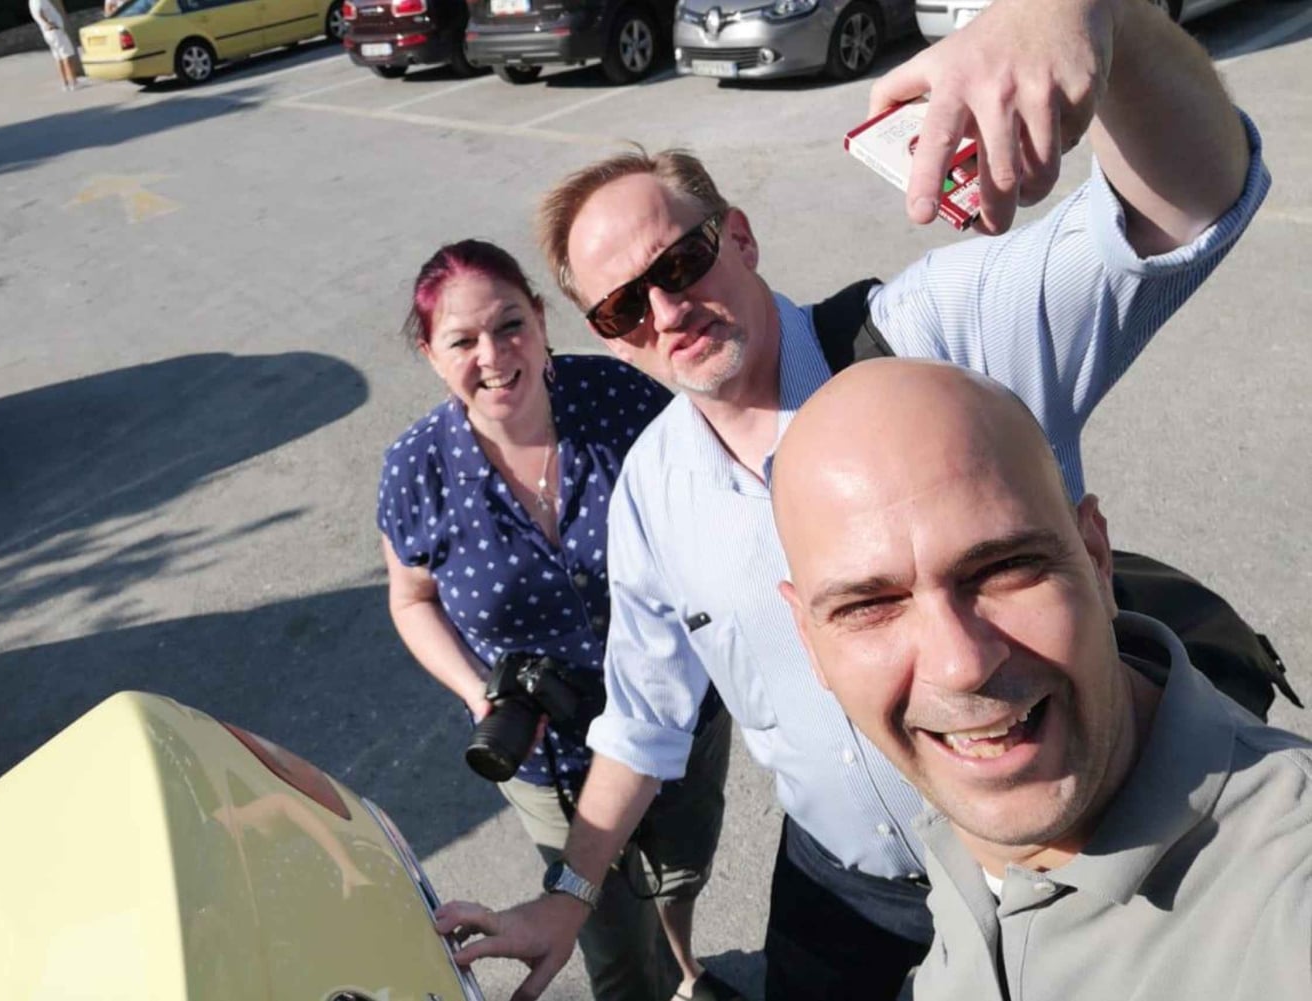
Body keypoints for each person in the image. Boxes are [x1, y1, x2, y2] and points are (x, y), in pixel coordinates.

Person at [432, 0, 1271, 998]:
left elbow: (1190, 203)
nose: (666, 309)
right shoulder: (653, 489)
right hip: (845, 893)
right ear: (607, 336)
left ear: (740, 237)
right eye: (622, 306)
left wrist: (1098, 18)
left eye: (682, 261)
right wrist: (568, 895)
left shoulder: (938, 336)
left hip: (1068, 860)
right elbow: (645, 719)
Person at [770, 359, 1312, 1000]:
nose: (960, 666)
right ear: (809, 639)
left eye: (1003, 568)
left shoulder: (1287, 893)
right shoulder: (966, 813)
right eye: (868, 606)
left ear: (1097, 558)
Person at [376, 240, 741, 1001]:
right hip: (550, 758)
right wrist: (477, 692)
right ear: (430, 355)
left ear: (541, 321)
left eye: (510, 324)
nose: (493, 355)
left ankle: (685, 969)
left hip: (680, 711)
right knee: (608, 940)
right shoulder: (416, 471)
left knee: (681, 871)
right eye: (462, 341)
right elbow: (411, 599)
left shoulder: (619, 399)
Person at [28, 0, 79, 91]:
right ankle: (73, 82)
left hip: (48, 32)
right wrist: (48, 23)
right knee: (66, 56)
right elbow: (39, 12)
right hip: (55, 31)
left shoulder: (32, 2)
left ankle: (65, 83)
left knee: (58, 58)